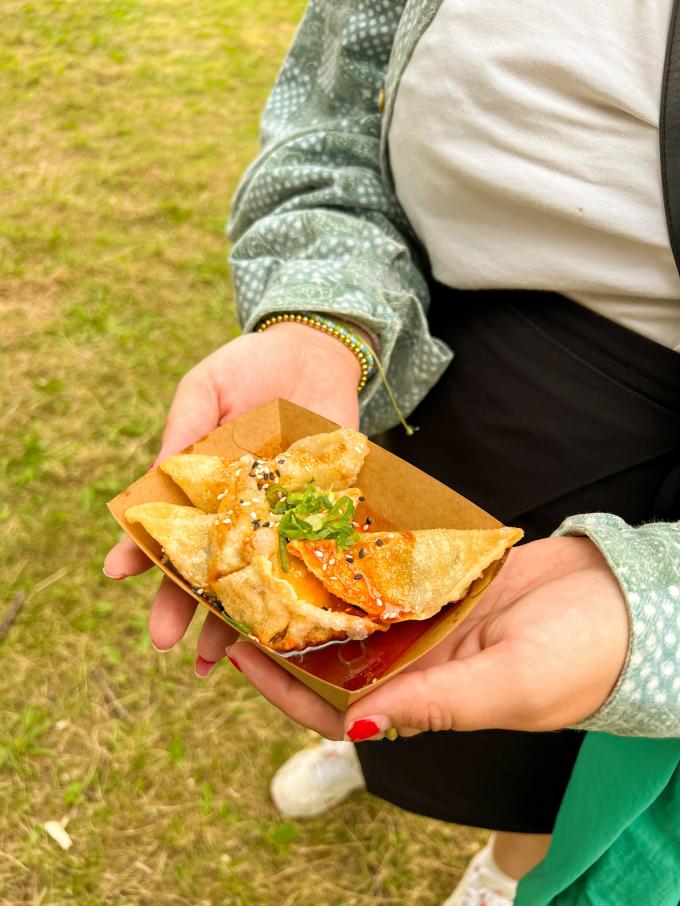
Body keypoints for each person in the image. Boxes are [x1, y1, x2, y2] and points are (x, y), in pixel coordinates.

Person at [104, 2, 680, 903]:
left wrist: (658, 611)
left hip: (642, 434)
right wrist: (327, 318)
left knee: (531, 725)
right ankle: (366, 746)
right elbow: (331, 125)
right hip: (416, 363)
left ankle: (503, 867)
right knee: (361, 639)